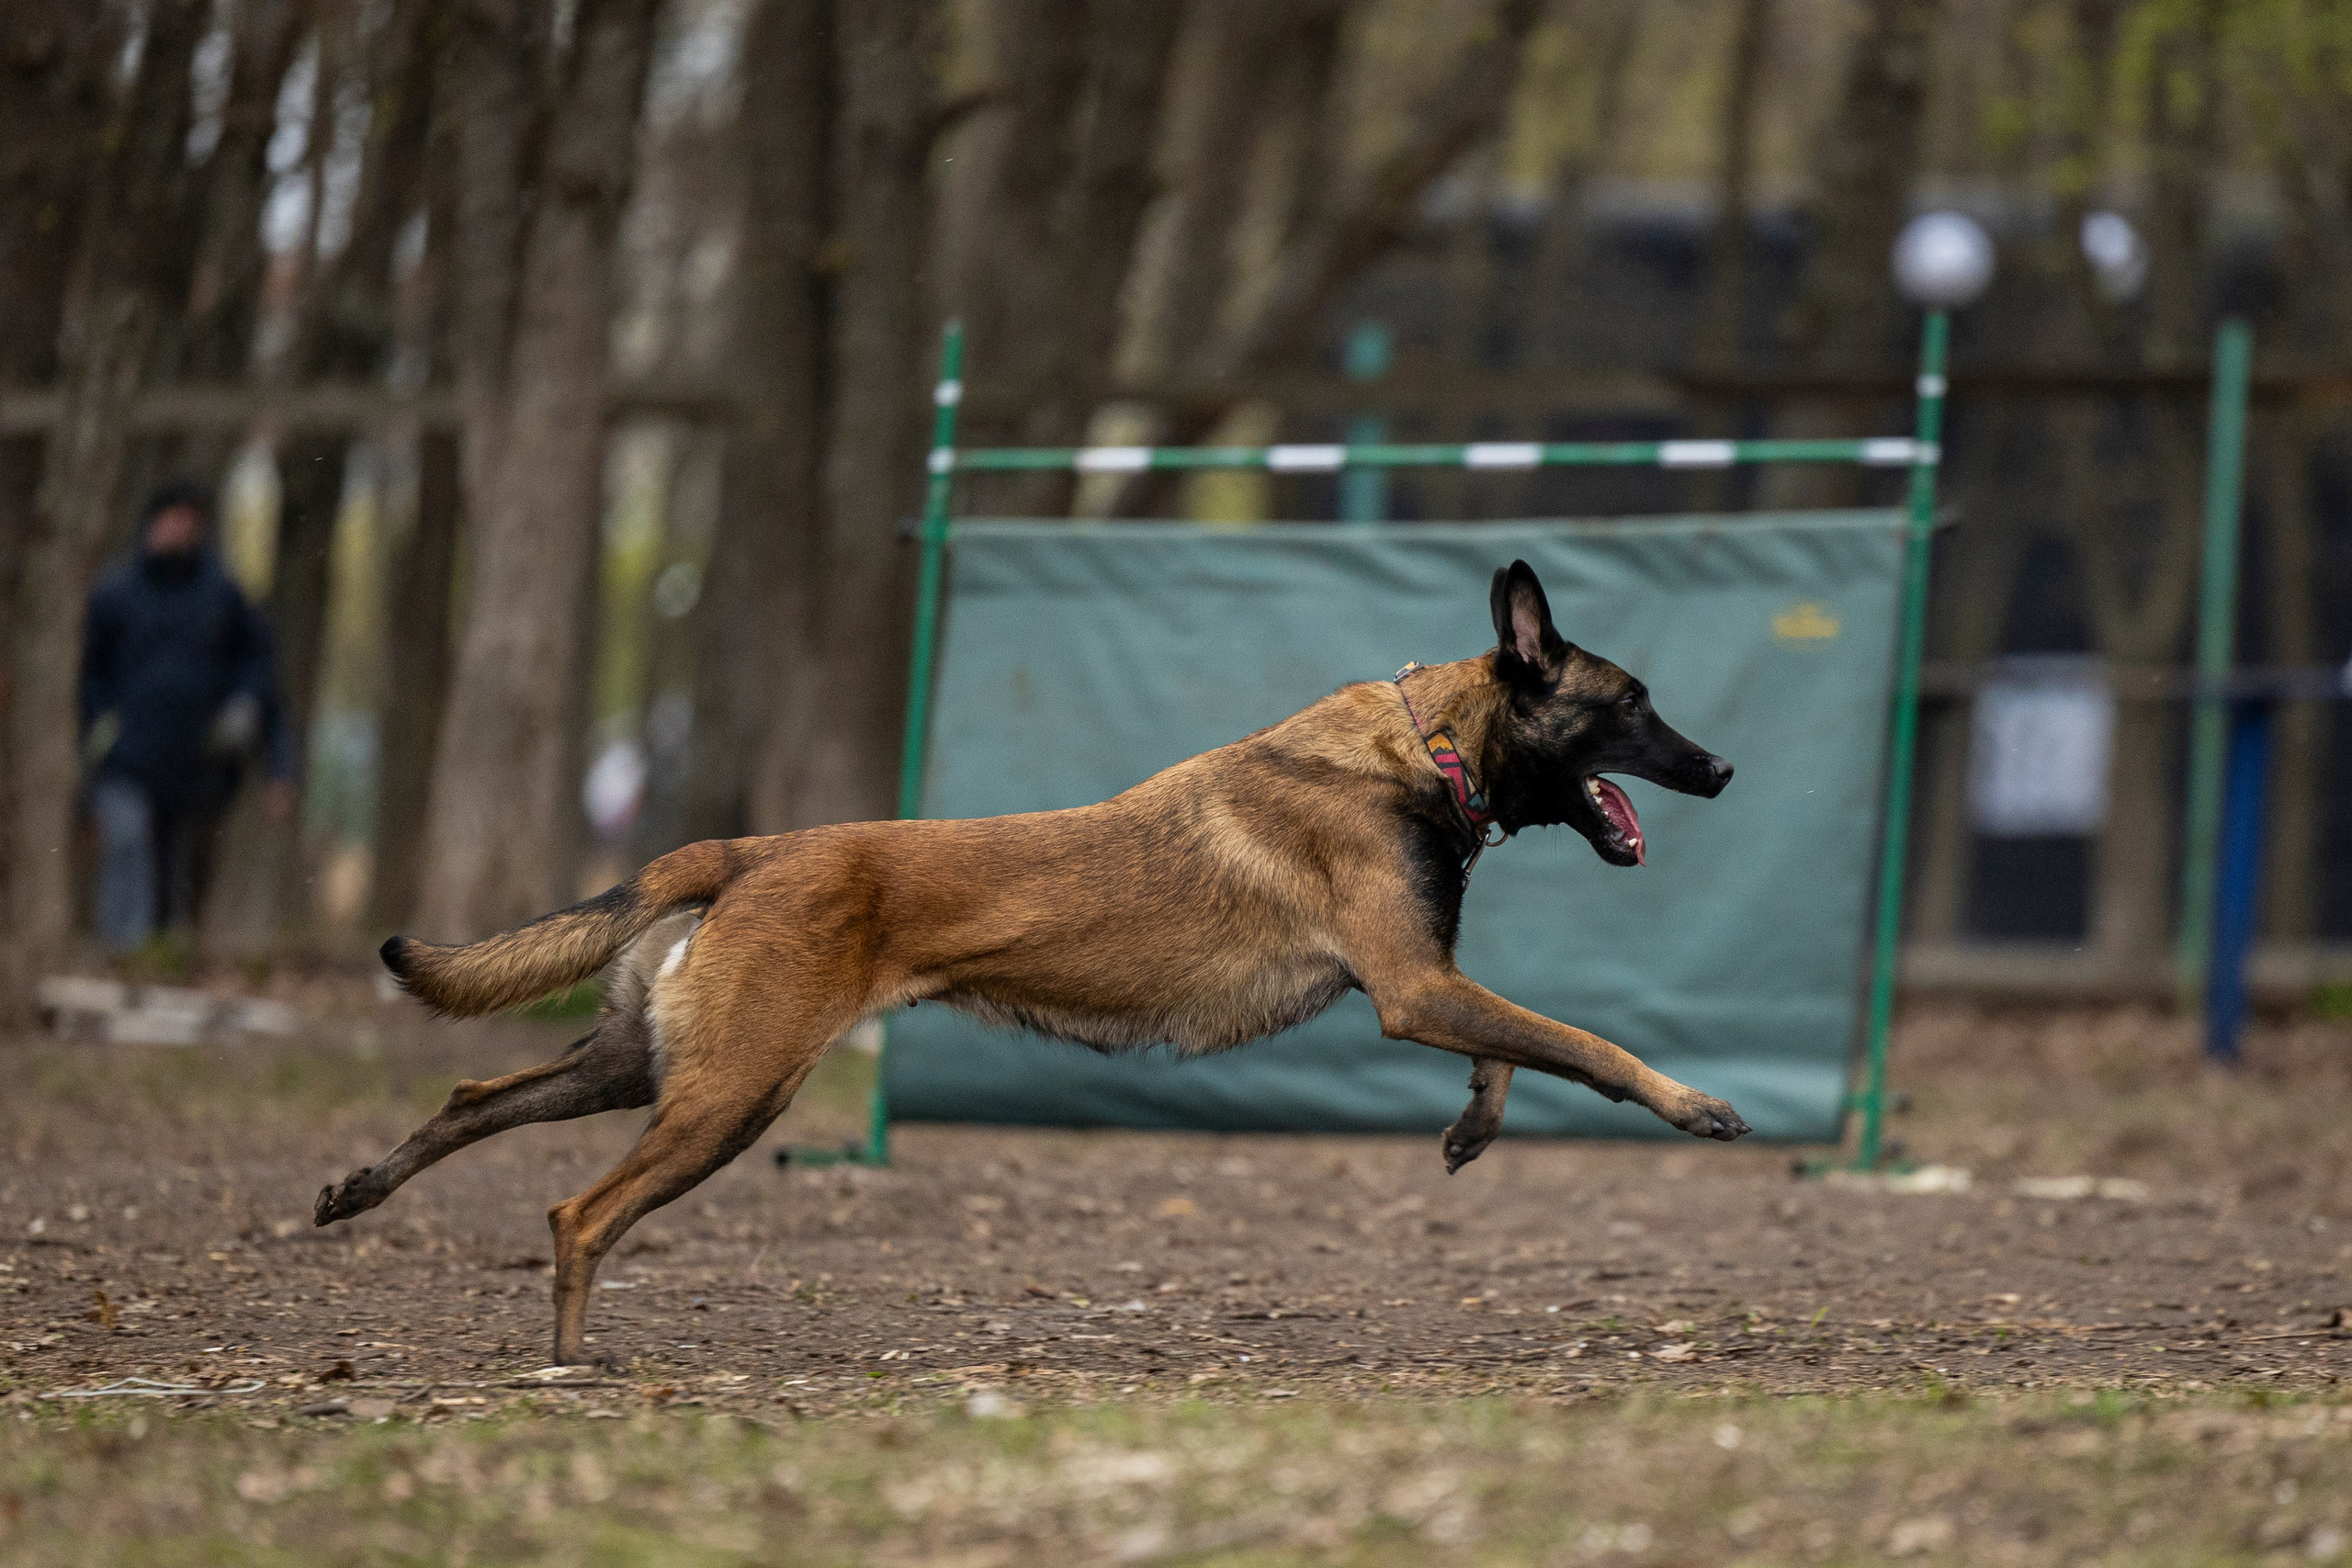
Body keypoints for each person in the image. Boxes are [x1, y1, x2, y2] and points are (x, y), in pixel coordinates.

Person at [78, 481, 297, 952]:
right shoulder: (114, 593)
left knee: (179, 870)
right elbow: (86, 676)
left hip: (198, 768)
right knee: (127, 844)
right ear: (151, 524)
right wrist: (94, 735)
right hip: (125, 760)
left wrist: (274, 759)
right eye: (171, 520)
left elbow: (261, 675)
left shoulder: (224, 594)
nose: (179, 531)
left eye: (189, 522)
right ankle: (121, 951)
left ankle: (168, 954)